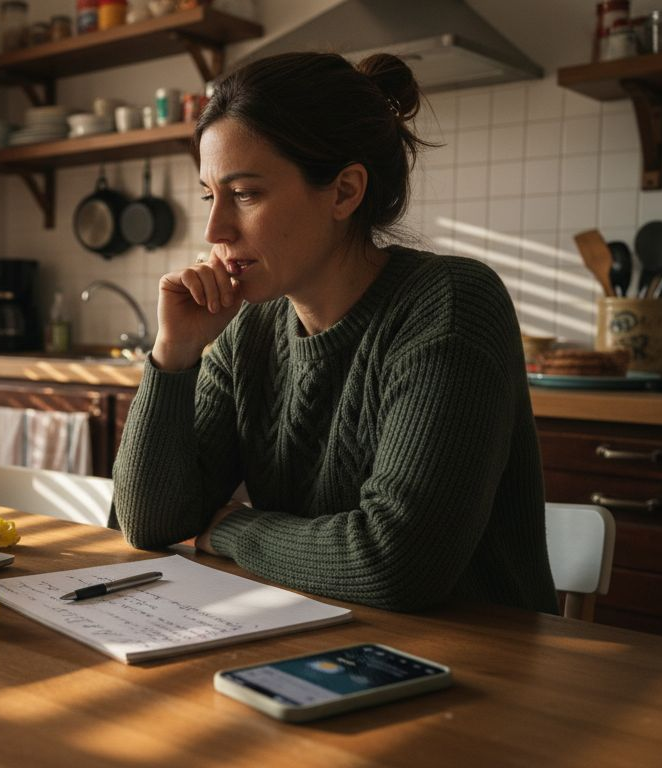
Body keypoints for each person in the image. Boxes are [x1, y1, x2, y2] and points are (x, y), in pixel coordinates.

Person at [111, 52, 557, 614]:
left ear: (344, 191)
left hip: (478, 655)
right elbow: (148, 522)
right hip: (314, 630)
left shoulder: (449, 304)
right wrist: (174, 355)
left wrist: (233, 529)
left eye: (244, 194)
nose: (214, 229)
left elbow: (395, 564)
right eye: (209, 195)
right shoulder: (249, 326)